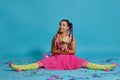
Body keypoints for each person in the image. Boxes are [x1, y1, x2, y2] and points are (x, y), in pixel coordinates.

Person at [9, 19, 116, 72]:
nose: (61, 26)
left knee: (86, 63)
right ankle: (20, 67)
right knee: (40, 63)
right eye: (60, 24)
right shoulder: (55, 37)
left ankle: (105, 67)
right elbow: (52, 50)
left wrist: (66, 50)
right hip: (56, 58)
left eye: (63, 25)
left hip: (69, 58)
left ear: (68, 27)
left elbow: (73, 51)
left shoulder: (72, 38)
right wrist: (60, 50)